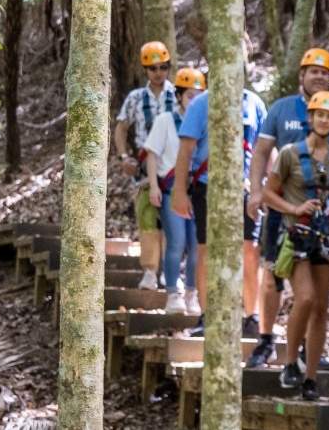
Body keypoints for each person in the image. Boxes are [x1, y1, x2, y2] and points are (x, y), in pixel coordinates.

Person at [253, 48, 329, 367]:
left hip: (324, 217)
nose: (319, 77)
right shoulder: (281, 109)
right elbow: (261, 151)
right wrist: (256, 192)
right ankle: (266, 340)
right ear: (301, 75)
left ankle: (307, 351)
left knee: (317, 286)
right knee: (272, 274)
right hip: (282, 208)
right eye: (313, 71)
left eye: (325, 72)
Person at [170, 67, 266, 326]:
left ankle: (251, 315)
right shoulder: (201, 105)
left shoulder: (254, 103)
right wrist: (179, 191)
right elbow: (186, 150)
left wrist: (262, 189)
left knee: (250, 250)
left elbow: (264, 148)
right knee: (206, 249)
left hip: (245, 189)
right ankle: (206, 314)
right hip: (207, 185)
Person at [113, 41, 180, 290]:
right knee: (147, 218)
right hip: (144, 165)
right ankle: (150, 271)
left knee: (172, 221)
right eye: (153, 68)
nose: (158, 73)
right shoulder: (135, 99)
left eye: (163, 67)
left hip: (173, 166)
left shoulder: (178, 95)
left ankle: (170, 271)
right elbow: (121, 128)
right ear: (145, 70)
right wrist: (124, 158)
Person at [155, 66, 206, 310]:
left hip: (197, 189)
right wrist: (154, 186)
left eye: (198, 95)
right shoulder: (166, 121)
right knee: (176, 242)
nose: (194, 101)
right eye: (189, 96)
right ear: (178, 96)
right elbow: (152, 154)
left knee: (196, 245)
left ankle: (192, 293)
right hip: (171, 189)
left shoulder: (207, 119)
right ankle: (172, 292)